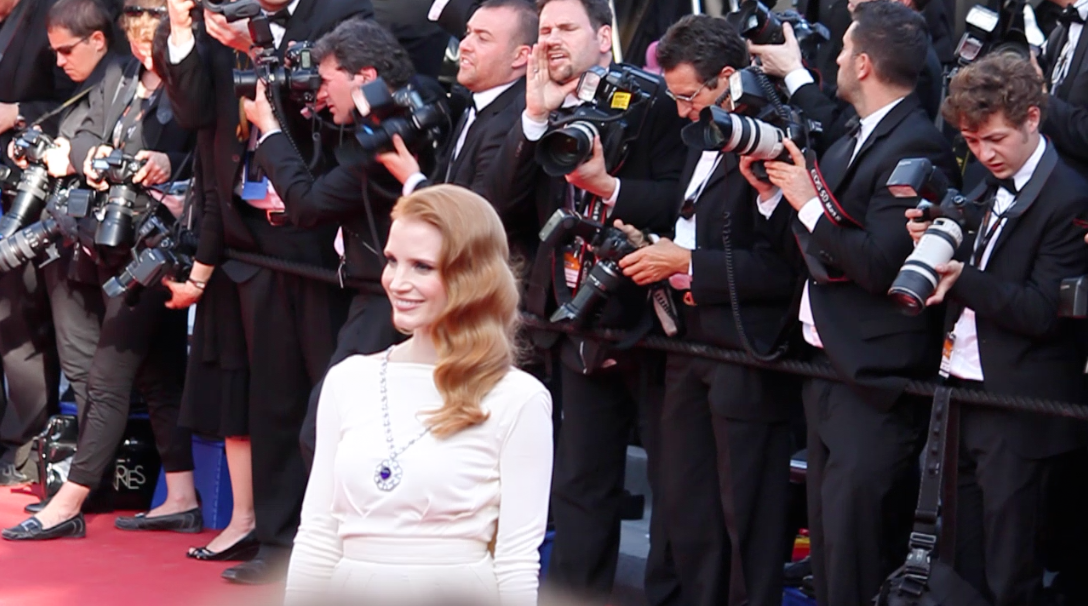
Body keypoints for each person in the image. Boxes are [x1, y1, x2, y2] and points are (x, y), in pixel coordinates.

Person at [161, 0, 372, 584]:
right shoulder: (221, 25)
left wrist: (257, 48)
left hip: (320, 239)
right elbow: (193, 111)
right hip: (249, 237)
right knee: (272, 402)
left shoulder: (341, 14)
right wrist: (181, 28)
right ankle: (278, 545)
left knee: (327, 402)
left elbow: (330, 119)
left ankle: (338, 542)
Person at [754, 2, 958, 604]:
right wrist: (773, 194)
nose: (836, 59)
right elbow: (820, 236)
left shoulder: (917, 144)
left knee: (855, 557)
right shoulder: (853, 131)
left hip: (873, 383)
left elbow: (879, 266)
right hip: (826, 370)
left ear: (864, 64)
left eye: (844, 50)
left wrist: (805, 202)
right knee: (827, 554)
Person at [485, 1, 686, 603]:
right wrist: (534, 118)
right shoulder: (542, 110)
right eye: (544, 29)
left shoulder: (655, 102)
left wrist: (608, 187)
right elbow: (499, 207)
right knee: (580, 481)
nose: (551, 40)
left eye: (566, 28)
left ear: (603, 37)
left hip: (651, 321)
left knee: (674, 483)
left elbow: (681, 201)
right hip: (575, 317)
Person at [285, 184, 553, 606]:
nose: (398, 282)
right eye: (392, 261)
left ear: (473, 277)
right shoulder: (348, 380)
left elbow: (517, 560)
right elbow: (318, 535)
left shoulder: (518, 398)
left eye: (423, 267)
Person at [620, 15, 800, 606]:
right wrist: (661, 253)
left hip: (746, 351)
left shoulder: (770, 133)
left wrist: (690, 264)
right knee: (687, 507)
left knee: (746, 517)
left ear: (726, 77)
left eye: (688, 97)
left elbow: (784, 266)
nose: (680, 112)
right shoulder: (693, 132)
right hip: (687, 343)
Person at [2, 0, 198, 541]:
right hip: (115, 243)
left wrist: (163, 168)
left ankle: (69, 502)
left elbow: (199, 148)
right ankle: (182, 496)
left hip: (160, 247)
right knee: (158, 375)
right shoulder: (122, 74)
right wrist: (91, 158)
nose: (141, 51)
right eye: (134, 39)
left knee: (109, 378)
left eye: (151, 41)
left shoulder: (189, 86)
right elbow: (84, 131)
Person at [908, 53, 1088, 606]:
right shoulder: (982, 179)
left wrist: (960, 278)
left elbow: (1041, 312)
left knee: (1012, 572)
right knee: (957, 563)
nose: (985, 154)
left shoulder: (1070, 196)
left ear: (1033, 118)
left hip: (1020, 411)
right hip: (959, 393)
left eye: (996, 140)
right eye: (972, 141)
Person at [240, 17, 445, 467]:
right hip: (379, 293)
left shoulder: (388, 137)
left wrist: (270, 128)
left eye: (326, 81)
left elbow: (308, 206)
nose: (319, 91)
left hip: (387, 300)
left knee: (326, 429)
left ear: (365, 77)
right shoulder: (417, 101)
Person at [0, 0, 119, 488]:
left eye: (64, 51)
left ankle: (46, 456)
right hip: (27, 193)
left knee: (45, 334)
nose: (59, 58)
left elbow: (88, 99)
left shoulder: (68, 19)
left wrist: (18, 116)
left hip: (64, 204)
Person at [377, 0, 537, 261]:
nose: (464, 45)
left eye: (482, 38)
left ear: (520, 56)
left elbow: (477, 219)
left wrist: (413, 180)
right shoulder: (476, 101)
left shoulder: (513, 121)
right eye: (468, 33)